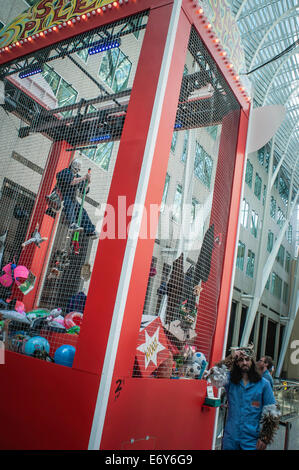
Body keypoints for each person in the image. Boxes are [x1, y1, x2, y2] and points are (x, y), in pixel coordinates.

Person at [205, 344, 280, 450]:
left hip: (251, 440)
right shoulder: (230, 380)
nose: (244, 362)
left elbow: (272, 413)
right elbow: (212, 375)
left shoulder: (264, 384)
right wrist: (231, 358)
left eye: (247, 359)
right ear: (236, 362)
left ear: (252, 361)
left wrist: (265, 437)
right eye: (240, 360)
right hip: (230, 438)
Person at [55, 159, 98, 238]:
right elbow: (72, 181)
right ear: (72, 165)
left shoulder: (78, 177)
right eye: (76, 167)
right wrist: (84, 177)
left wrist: (88, 182)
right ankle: (72, 224)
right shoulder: (65, 172)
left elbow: (84, 190)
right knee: (69, 205)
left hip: (72, 198)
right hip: (62, 196)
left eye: (78, 168)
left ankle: (90, 230)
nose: (77, 170)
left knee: (82, 211)